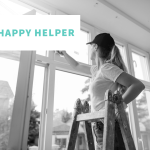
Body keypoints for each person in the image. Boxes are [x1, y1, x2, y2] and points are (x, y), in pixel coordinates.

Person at [56, 33, 145, 150]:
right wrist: (63, 52)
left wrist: (121, 105)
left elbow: (138, 85)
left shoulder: (107, 68)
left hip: (109, 125)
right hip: (100, 125)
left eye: (91, 46)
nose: (89, 49)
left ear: (95, 47)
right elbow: (76, 66)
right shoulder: (96, 70)